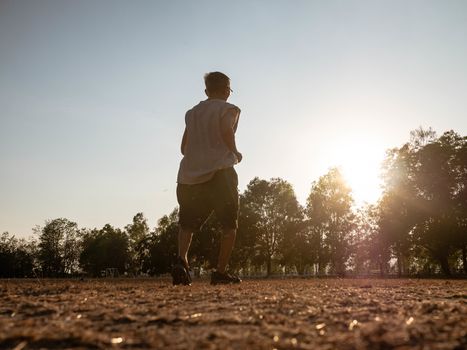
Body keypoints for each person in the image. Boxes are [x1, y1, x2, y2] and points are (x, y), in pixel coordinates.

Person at [172, 71, 242, 286]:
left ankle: (181, 262)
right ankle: (220, 272)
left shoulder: (192, 113)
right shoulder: (230, 109)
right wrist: (235, 152)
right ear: (226, 90)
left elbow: (184, 148)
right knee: (229, 224)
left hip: (189, 176)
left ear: (206, 91)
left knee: (187, 224)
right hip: (219, 172)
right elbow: (225, 131)